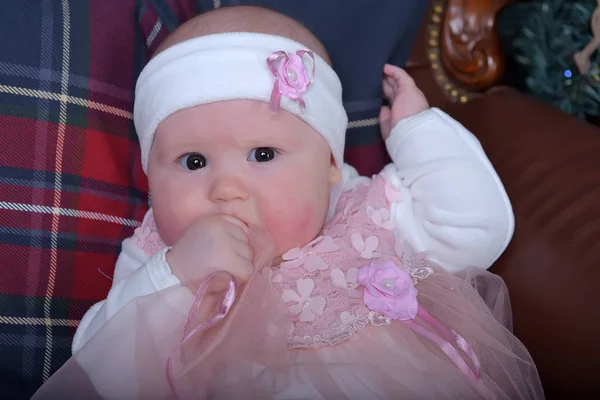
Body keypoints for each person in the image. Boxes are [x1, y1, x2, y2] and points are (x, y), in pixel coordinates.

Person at [35, 5, 544, 399]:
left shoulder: (367, 210)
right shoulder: (159, 255)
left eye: (262, 154)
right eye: (193, 162)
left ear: (328, 164)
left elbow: (477, 227)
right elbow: (102, 370)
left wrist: (417, 131)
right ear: (150, 180)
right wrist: (175, 278)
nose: (226, 188)